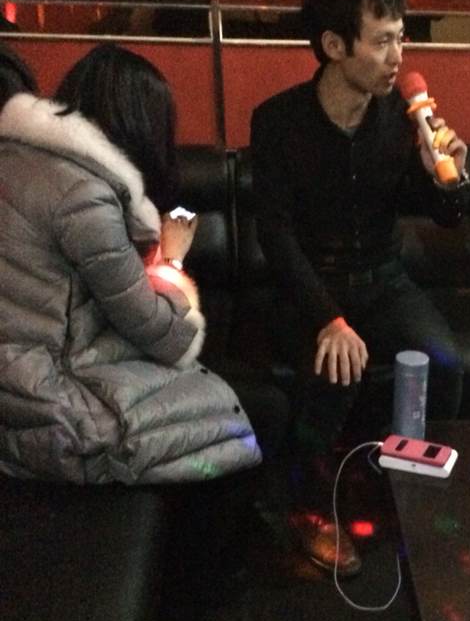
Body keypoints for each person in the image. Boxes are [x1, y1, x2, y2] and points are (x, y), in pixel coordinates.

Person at [0, 43, 288, 511]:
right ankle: (218, 551)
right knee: (264, 412)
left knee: (243, 392)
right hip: (51, 411)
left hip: (22, 388)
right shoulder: (83, 196)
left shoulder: (21, 159)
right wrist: (172, 259)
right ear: (139, 124)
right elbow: (165, 336)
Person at [251, 0, 470, 575]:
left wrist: (448, 179)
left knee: (445, 363)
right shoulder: (278, 122)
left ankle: (403, 487)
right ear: (334, 45)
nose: (397, 57)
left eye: (401, 39)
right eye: (382, 41)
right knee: (336, 373)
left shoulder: (399, 120)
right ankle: (308, 508)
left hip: (383, 278)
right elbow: (275, 236)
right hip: (311, 288)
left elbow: (444, 217)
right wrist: (329, 318)